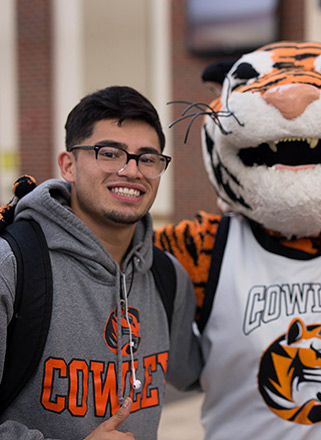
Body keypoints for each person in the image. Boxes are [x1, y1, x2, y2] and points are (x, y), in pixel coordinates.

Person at [0, 86, 202, 439]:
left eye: (148, 158)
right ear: (69, 165)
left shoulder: (168, 274)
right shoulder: (12, 267)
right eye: (109, 153)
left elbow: (202, 369)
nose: (131, 171)